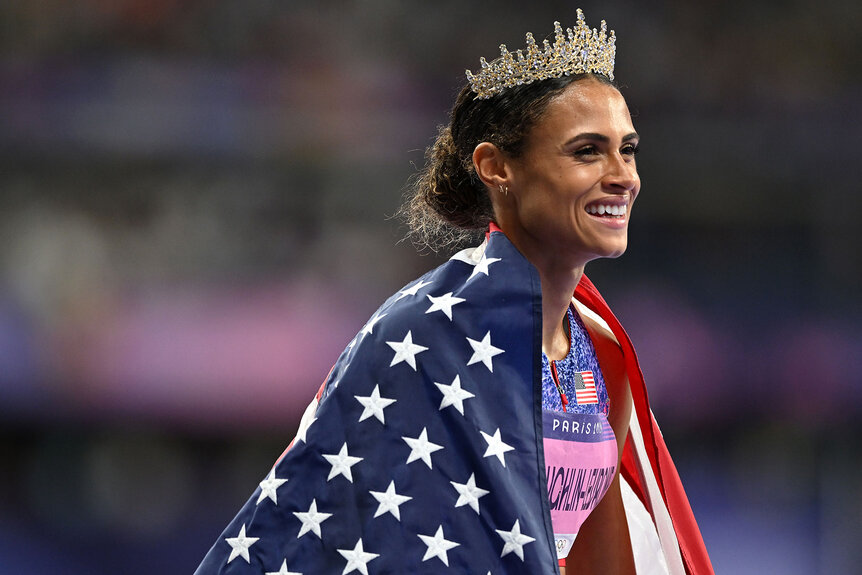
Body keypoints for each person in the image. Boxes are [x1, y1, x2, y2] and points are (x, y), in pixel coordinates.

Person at [195, 9, 713, 575]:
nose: (623, 175)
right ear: (496, 168)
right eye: (587, 151)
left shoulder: (600, 353)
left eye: (628, 149)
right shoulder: (422, 336)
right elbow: (328, 534)